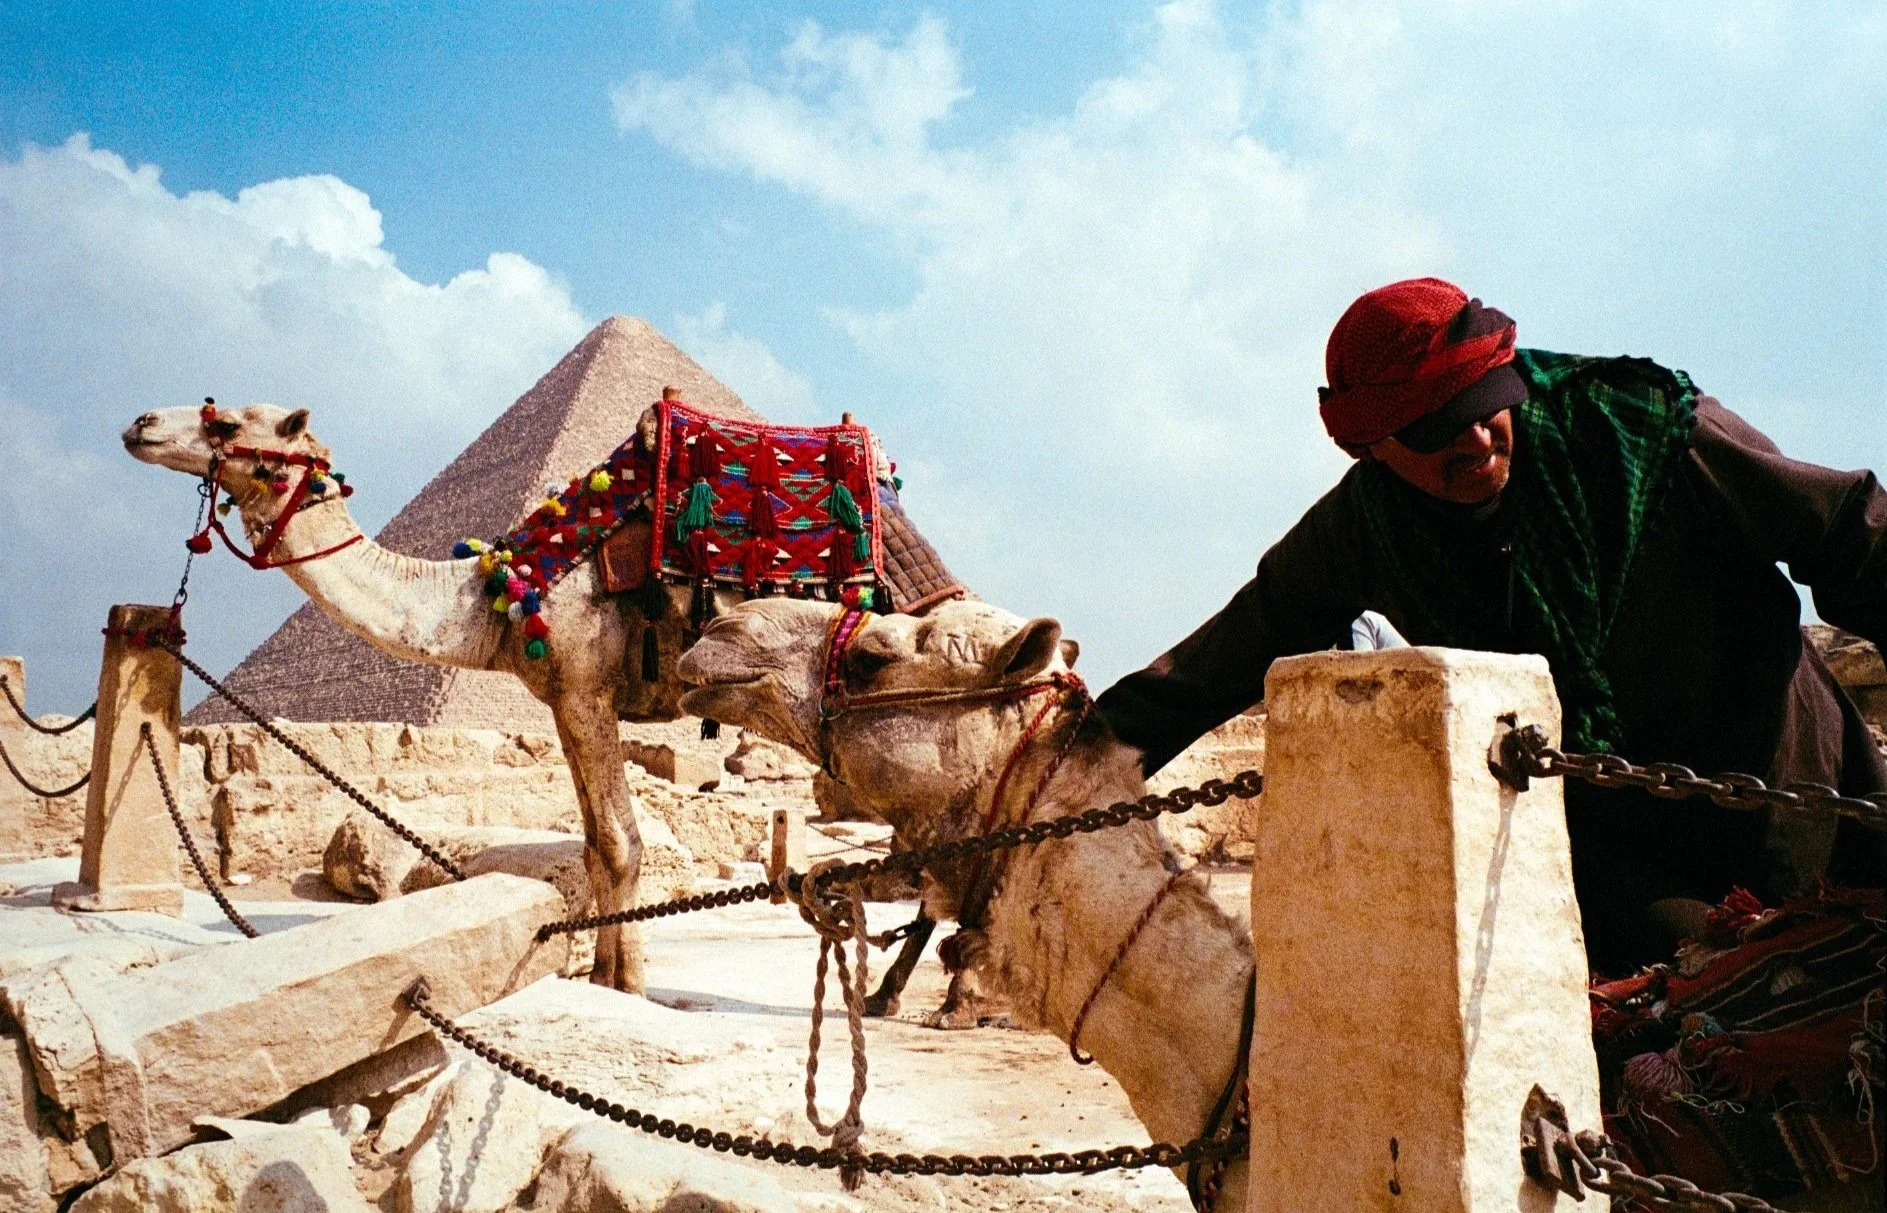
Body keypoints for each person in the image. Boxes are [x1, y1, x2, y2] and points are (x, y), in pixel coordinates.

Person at [1095, 277, 1887, 977]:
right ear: (1371, 446)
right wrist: (1070, 762)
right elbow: (1215, 663)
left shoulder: (1643, 426)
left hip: (1804, 795)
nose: (1475, 438)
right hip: (1627, 867)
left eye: (1482, 405)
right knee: (1694, 1048)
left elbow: (1849, 531)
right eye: (1436, 428)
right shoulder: (1361, 530)